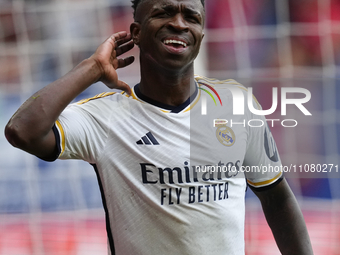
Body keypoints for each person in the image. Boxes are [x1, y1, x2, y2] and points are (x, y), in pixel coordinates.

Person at [5, 0, 313, 254]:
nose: (179, 23)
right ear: (135, 33)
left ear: (201, 36)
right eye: (164, 12)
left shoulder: (237, 104)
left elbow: (277, 197)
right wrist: (93, 68)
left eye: (191, 17)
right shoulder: (103, 117)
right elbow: (22, 131)